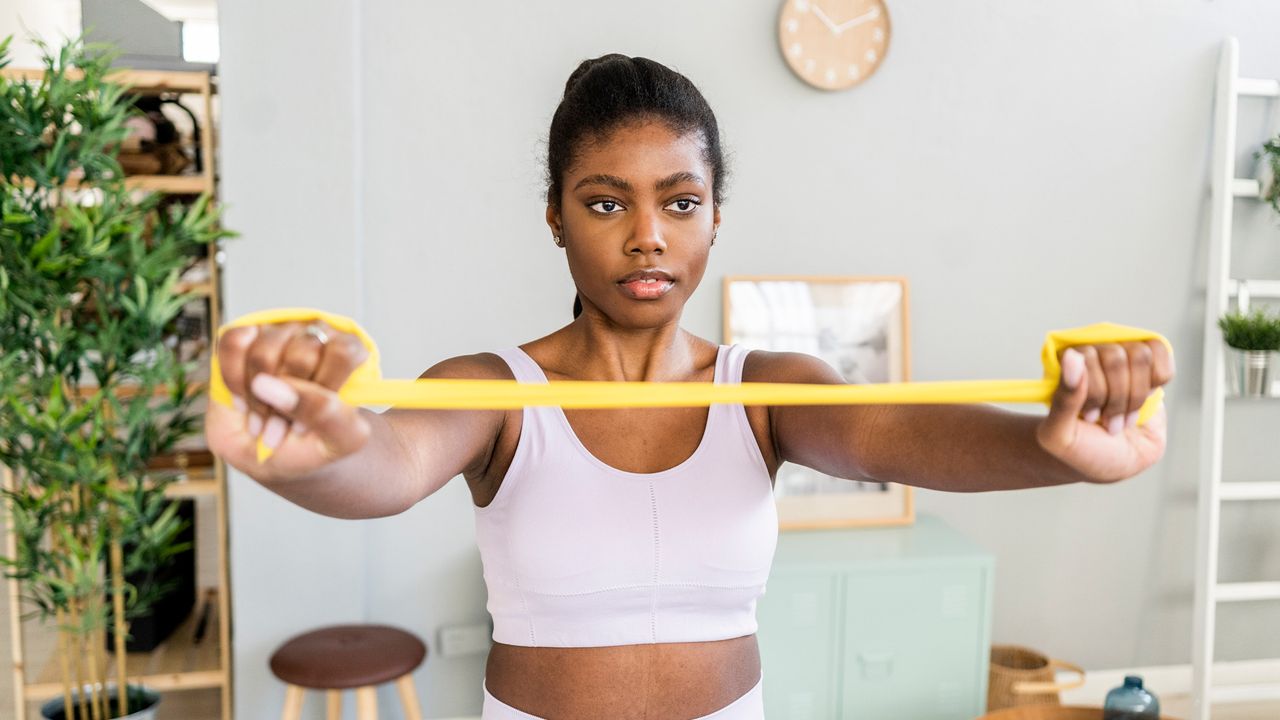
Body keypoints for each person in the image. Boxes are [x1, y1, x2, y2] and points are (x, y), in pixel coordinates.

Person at [206, 54, 1174, 720]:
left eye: (678, 201)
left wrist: (1049, 447)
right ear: (554, 216)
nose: (646, 236)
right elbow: (382, 461)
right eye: (603, 202)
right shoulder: (494, 389)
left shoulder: (765, 390)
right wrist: (309, 453)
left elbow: (898, 434)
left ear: (714, 216)